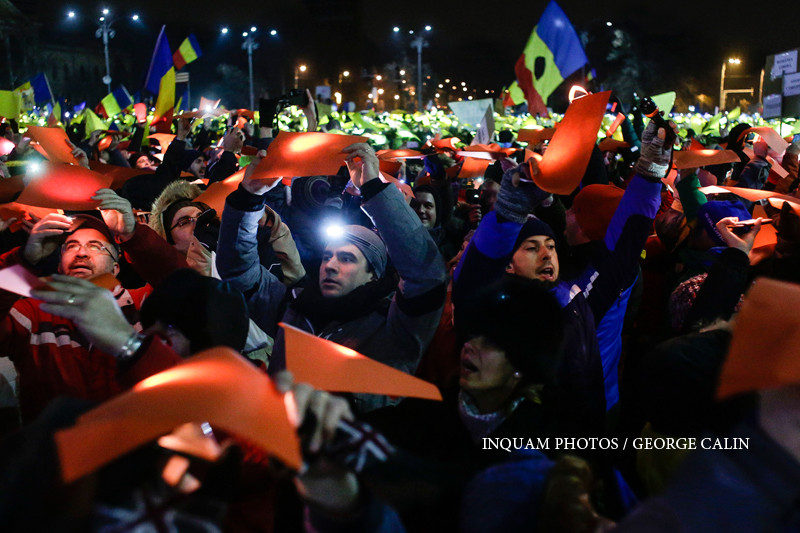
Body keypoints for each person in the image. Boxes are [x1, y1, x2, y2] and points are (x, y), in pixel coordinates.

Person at [216, 143, 447, 413]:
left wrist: (374, 189)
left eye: (347, 258)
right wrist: (248, 200)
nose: (331, 265)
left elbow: (427, 274)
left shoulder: (393, 328)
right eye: (328, 256)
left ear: (373, 273)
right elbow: (239, 272)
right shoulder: (293, 307)